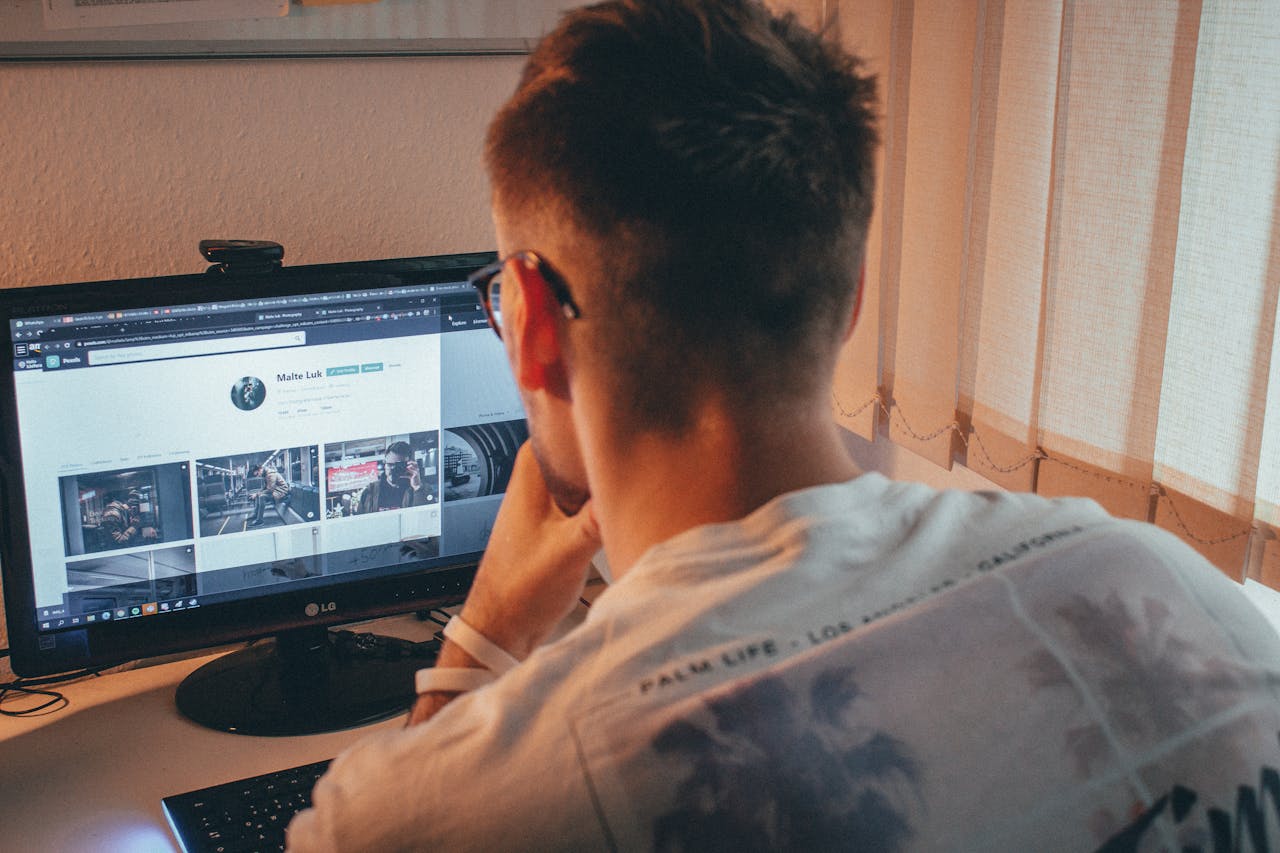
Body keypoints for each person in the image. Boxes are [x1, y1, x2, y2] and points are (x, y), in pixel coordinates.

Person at [287, 2, 1280, 850]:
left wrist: (489, 629)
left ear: (531, 324)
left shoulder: (423, 812)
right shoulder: (1173, 586)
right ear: (848, 297)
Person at [352, 441, 429, 514]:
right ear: (385, 465)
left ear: (409, 465)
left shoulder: (421, 490)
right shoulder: (370, 491)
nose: (392, 469)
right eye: (389, 464)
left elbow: (424, 519)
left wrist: (418, 488)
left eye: (398, 466)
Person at [247, 463, 291, 527]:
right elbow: (265, 487)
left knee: (262, 497)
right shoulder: (266, 474)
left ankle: (260, 521)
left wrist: (257, 494)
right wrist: (256, 494)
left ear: (260, 469)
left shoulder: (270, 475)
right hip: (275, 490)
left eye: (257, 474)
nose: (258, 476)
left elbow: (270, 489)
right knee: (258, 495)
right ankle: (255, 514)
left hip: (281, 492)